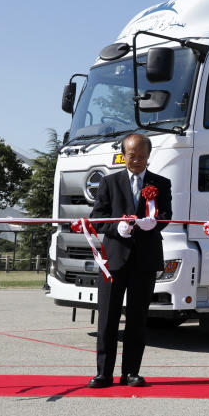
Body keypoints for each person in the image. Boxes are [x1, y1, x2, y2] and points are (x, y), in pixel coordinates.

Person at [88, 134, 172, 388]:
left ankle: (131, 372)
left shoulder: (161, 183)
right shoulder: (109, 182)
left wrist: (154, 222)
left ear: (148, 155)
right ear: (123, 155)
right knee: (108, 319)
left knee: (137, 319)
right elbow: (97, 218)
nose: (136, 160)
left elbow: (167, 214)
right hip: (114, 259)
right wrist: (117, 228)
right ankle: (104, 373)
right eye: (132, 155)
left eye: (141, 155)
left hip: (145, 259)